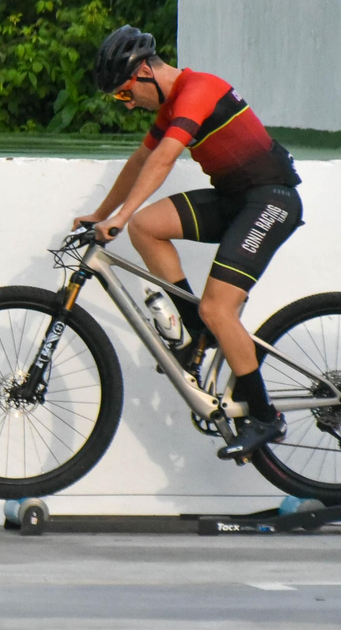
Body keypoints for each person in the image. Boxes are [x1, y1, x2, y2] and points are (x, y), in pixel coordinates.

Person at [74, 25, 303, 461]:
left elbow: (164, 158)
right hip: (237, 199)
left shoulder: (199, 89)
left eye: (125, 94)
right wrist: (106, 213)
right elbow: (141, 159)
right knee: (145, 226)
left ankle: (264, 416)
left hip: (270, 199)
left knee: (218, 307)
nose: (127, 104)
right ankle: (196, 335)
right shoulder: (170, 106)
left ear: (143, 72)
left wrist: (117, 217)